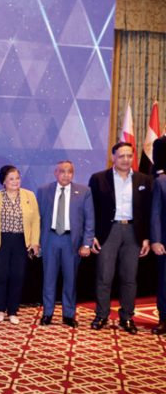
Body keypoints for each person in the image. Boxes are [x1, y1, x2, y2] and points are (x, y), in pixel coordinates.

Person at [88, 142, 153, 334]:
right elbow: (91, 209)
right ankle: (101, 315)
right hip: (108, 232)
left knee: (129, 278)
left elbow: (148, 211)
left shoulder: (144, 179)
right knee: (104, 276)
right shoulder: (99, 178)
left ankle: (127, 317)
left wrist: (146, 238)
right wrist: (91, 235)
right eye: (121, 156)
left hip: (133, 233)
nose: (126, 159)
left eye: (129, 156)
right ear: (113, 157)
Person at [36, 161, 94, 327]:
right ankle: (47, 313)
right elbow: (37, 218)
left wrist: (87, 244)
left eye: (69, 172)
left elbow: (90, 219)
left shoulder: (84, 191)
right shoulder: (43, 190)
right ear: (56, 173)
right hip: (50, 239)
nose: (66, 175)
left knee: (70, 279)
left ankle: (68, 314)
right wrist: (36, 241)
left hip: (72, 241)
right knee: (49, 279)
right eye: (62, 171)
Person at [0, 165, 40, 324]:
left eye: (17, 178)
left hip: (21, 241)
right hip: (0, 241)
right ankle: (0, 309)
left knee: (17, 276)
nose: (15, 181)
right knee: (0, 276)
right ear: (4, 181)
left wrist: (35, 241)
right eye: (11, 179)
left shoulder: (29, 195)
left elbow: (36, 220)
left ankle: (13, 311)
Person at [151, 172, 166, 335]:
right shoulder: (161, 182)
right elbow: (155, 213)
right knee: (164, 282)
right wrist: (156, 240)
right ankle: (164, 319)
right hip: (165, 243)